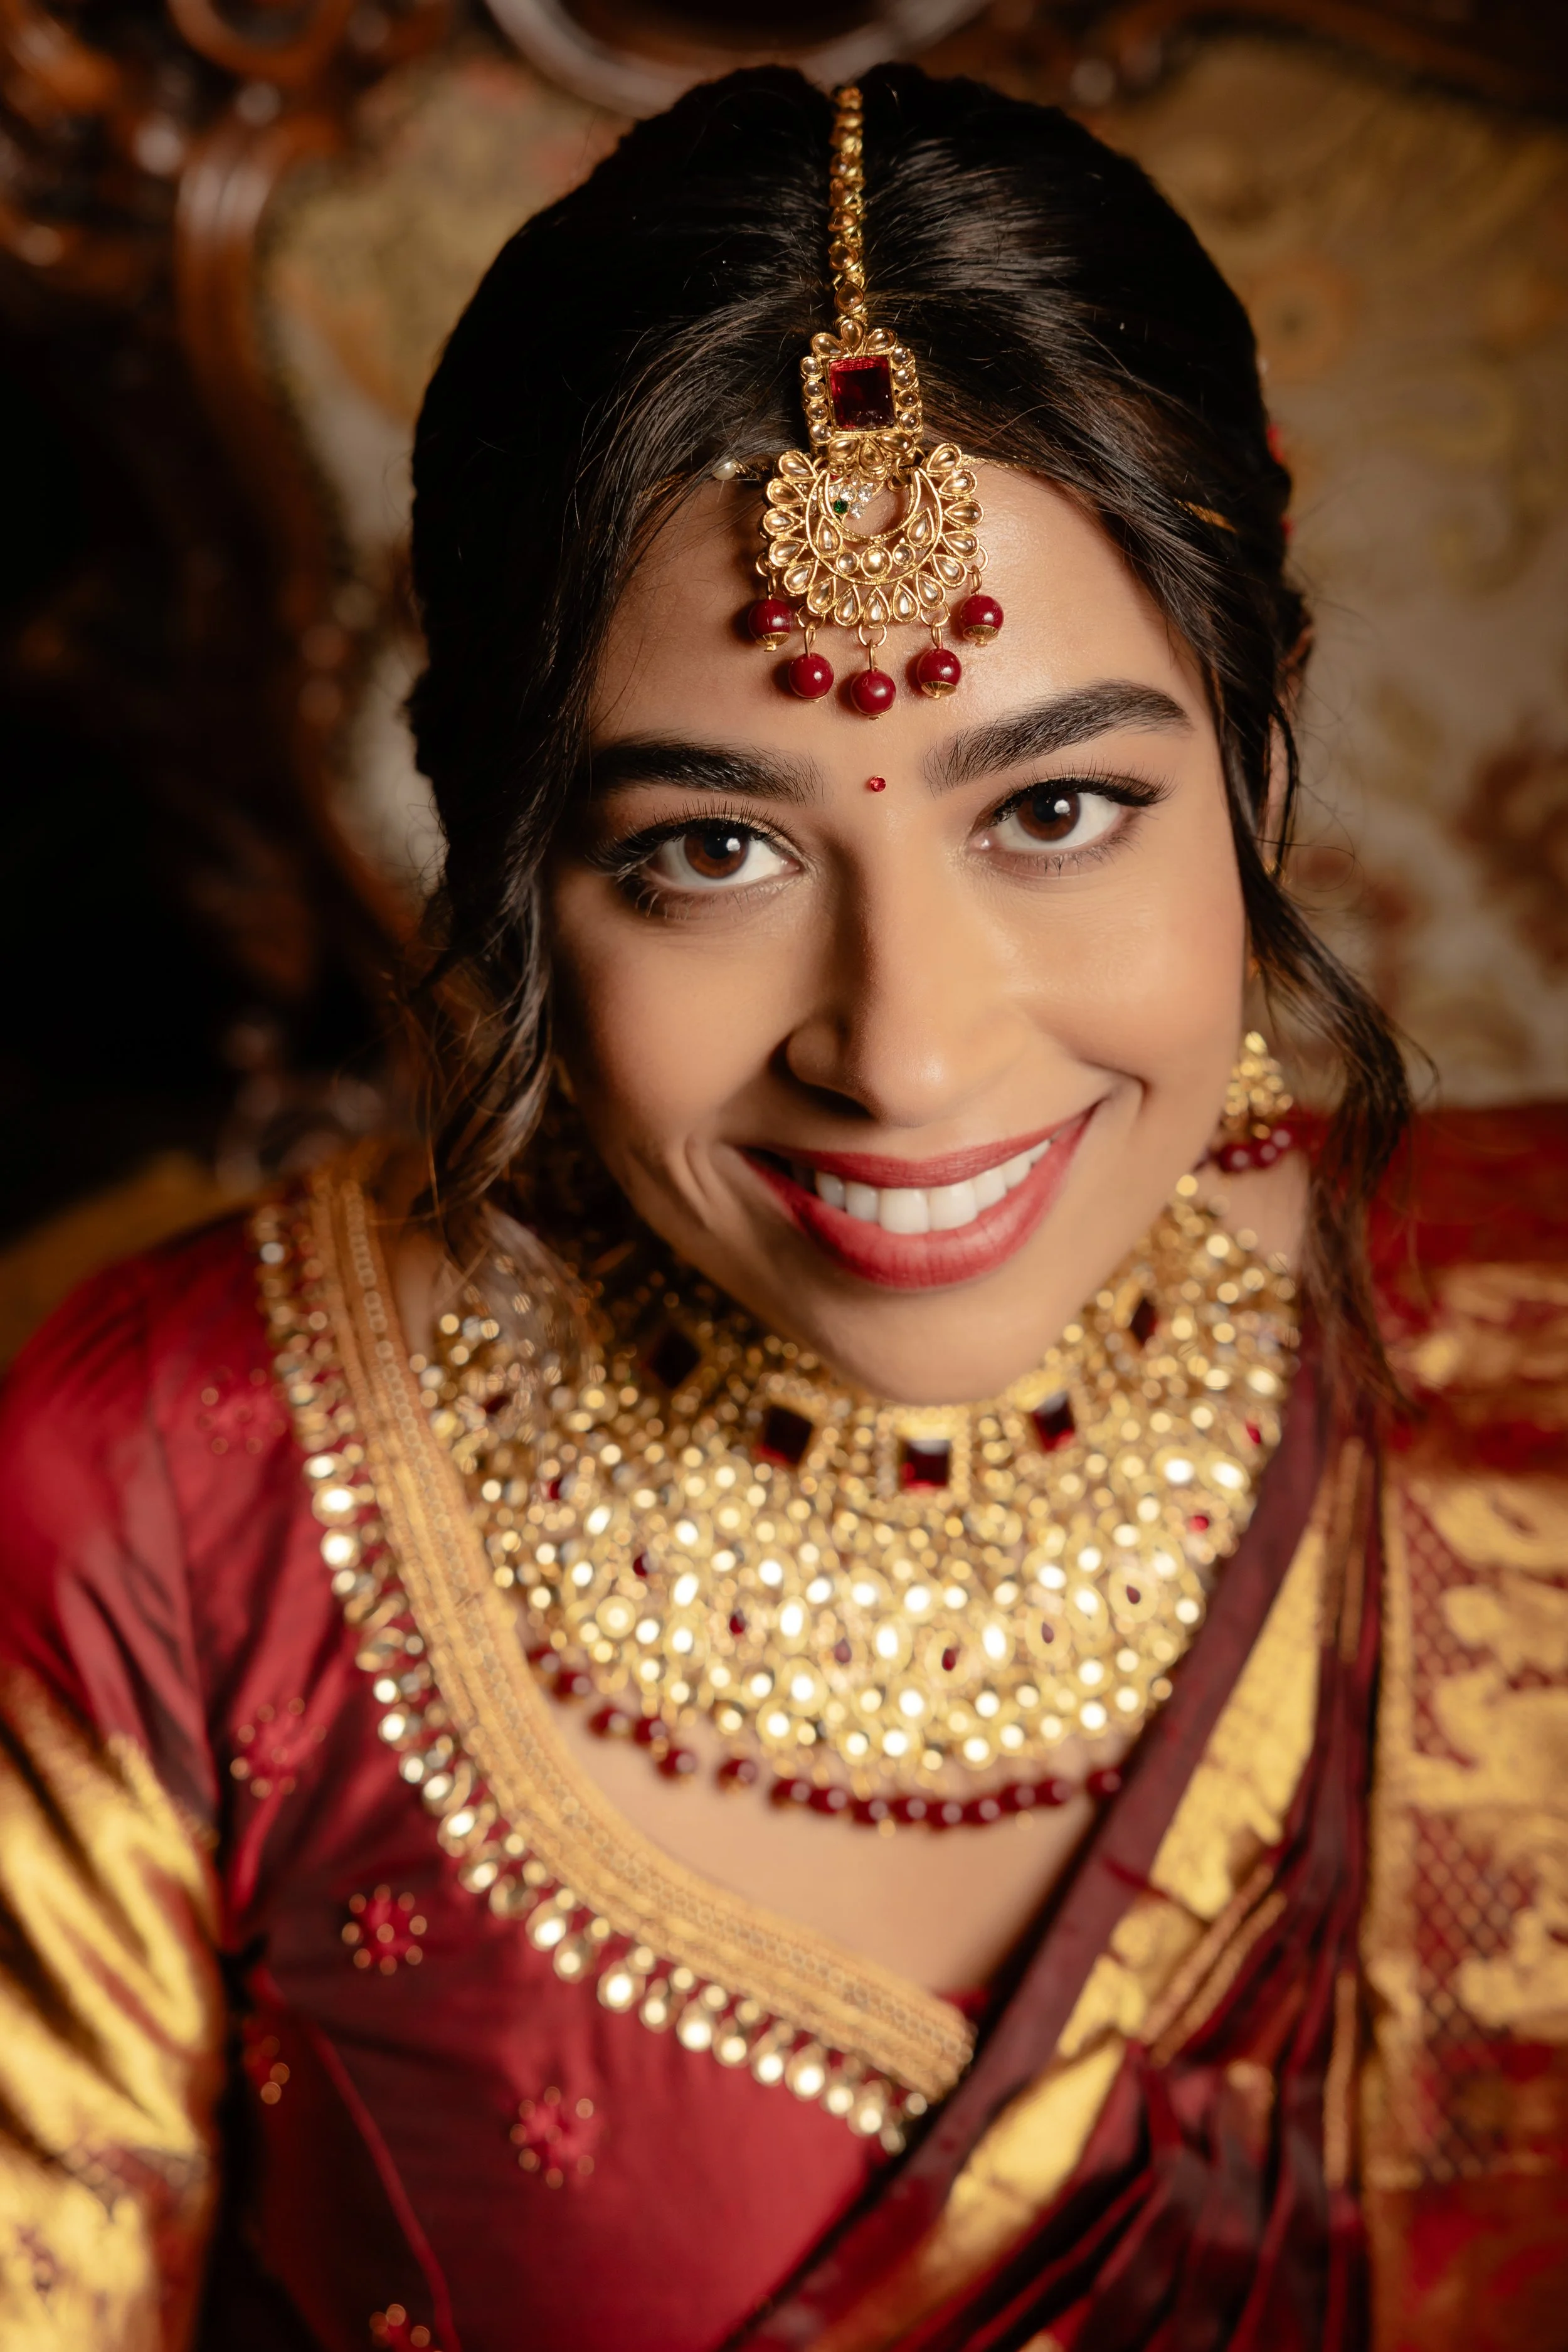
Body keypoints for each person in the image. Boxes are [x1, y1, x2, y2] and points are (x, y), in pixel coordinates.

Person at [0, 61, 1562, 2352]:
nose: (906, 1052)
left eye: (1051, 807)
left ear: (1261, 759)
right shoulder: (153, 1495)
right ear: (510, 862)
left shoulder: (1519, 1350)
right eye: (707, 850)